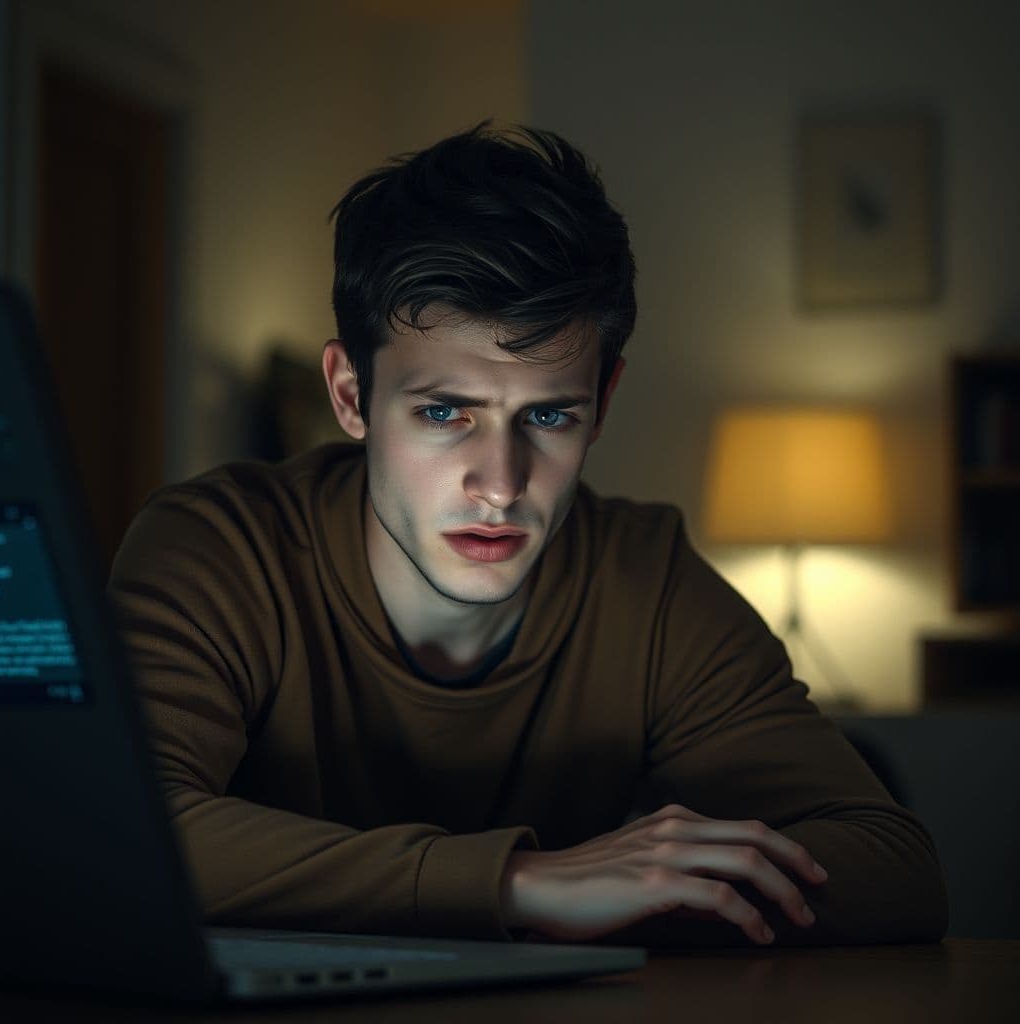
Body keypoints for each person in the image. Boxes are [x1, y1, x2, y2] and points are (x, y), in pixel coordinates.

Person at [107, 122, 948, 948]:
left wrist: (645, 892)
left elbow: (892, 867)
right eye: (444, 413)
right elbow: (110, 828)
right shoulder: (216, 549)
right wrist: (521, 888)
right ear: (351, 396)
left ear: (603, 404)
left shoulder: (642, 582)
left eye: (548, 415)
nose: (501, 484)